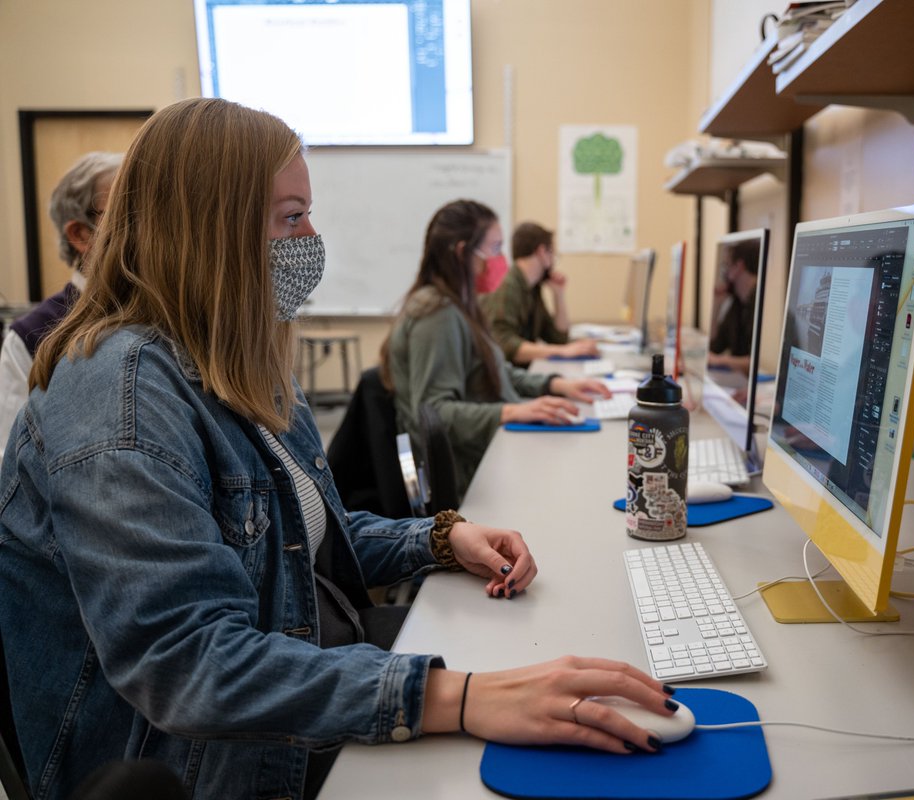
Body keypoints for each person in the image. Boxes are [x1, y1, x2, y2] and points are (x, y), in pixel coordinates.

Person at [0, 98, 675, 800]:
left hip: (295, 679)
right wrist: (460, 698)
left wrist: (441, 540)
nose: (312, 238)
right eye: (292, 218)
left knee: (544, 663)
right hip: (203, 764)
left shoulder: (237, 363)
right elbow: (190, 664)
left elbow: (301, 533)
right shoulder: (120, 392)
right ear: (212, 231)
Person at [383, 202, 611, 501]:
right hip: (469, 471)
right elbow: (434, 411)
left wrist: (555, 384)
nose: (502, 260)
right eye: (495, 248)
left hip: (487, 450)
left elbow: (495, 370)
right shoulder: (436, 314)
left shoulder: (463, 305)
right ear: (464, 253)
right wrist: (513, 411)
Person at [0, 151, 123, 463]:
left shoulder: (171, 312)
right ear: (81, 234)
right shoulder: (29, 336)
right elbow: (11, 457)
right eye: (127, 215)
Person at [481, 221, 598, 366]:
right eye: (553, 254)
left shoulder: (532, 289)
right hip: (506, 378)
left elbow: (558, 338)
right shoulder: (507, 286)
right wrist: (561, 351)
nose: (553, 262)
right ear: (542, 252)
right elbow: (505, 344)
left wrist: (559, 295)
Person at [707, 238, 760, 376]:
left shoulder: (759, 304)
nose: (725, 273)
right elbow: (714, 347)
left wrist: (721, 361)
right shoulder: (736, 304)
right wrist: (716, 305)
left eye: (727, 266)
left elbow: (756, 361)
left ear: (739, 266)